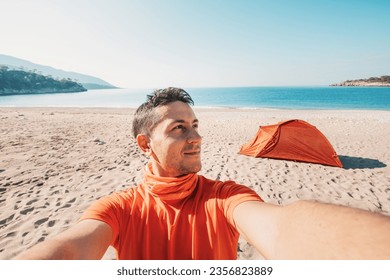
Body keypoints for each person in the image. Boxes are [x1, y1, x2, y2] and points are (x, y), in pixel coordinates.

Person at [14, 87, 390, 260]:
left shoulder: (225, 197)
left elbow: (283, 228)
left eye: (195, 124)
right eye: (179, 128)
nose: (197, 137)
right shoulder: (120, 207)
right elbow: (69, 249)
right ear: (145, 145)